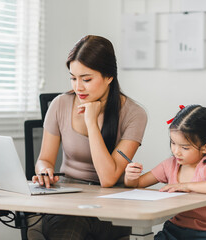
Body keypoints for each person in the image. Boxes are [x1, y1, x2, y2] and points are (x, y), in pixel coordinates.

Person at [28, 35, 147, 240]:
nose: (78, 87)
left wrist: (92, 122)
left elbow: (109, 178)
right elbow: (44, 159)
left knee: (74, 226)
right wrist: (44, 171)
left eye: (86, 79)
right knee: (68, 224)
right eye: (73, 78)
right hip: (67, 200)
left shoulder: (134, 114)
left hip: (110, 206)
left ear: (109, 76)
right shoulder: (60, 104)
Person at [125, 104, 206, 240]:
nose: (176, 151)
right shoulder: (170, 164)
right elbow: (137, 184)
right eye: (173, 143)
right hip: (173, 231)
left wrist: (185, 186)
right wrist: (130, 177)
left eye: (185, 147)